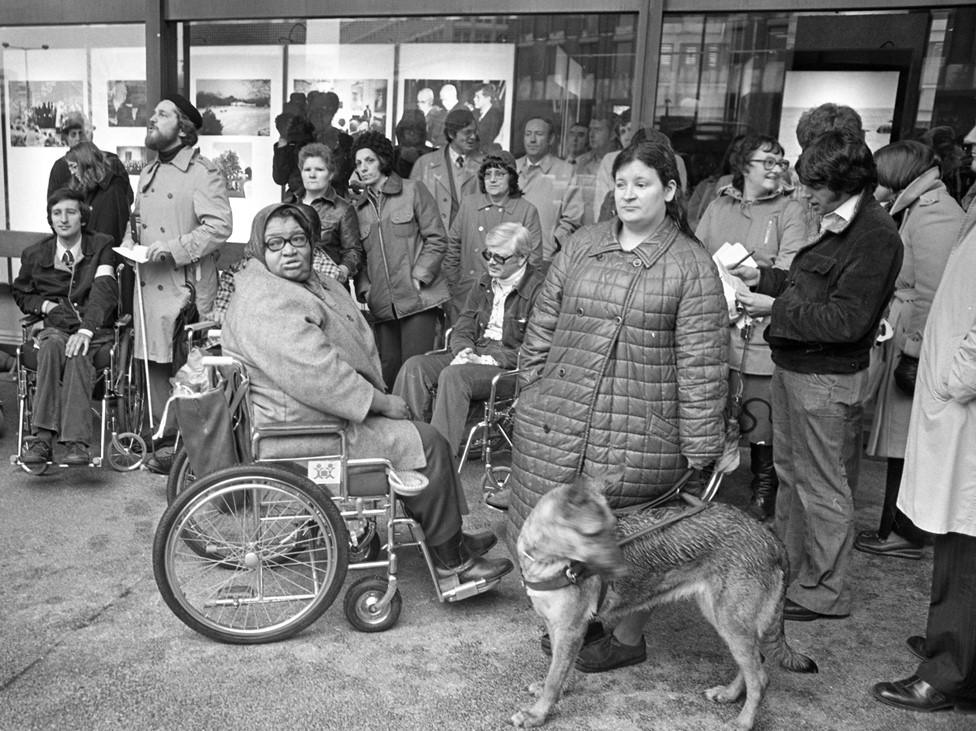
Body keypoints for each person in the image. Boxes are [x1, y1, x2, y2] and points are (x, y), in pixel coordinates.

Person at [506, 138, 729, 671]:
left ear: (670, 191)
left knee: (636, 535)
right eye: (622, 183)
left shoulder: (691, 266)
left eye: (643, 184)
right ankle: (570, 621)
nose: (628, 195)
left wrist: (702, 451)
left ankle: (627, 636)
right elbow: (543, 322)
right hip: (560, 412)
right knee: (561, 522)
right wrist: (531, 389)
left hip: (640, 428)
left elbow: (701, 365)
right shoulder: (584, 243)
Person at [220, 202, 513, 587]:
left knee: (422, 436)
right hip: (312, 432)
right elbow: (320, 376)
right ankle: (452, 561)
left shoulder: (288, 283)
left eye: (297, 240)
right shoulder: (271, 301)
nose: (289, 250)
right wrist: (381, 402)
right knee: (427, 442)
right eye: (276, 243)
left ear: (313, 243)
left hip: (317, 415)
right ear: (259, 247)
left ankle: (449, 535)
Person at [730, 130, 903, 622]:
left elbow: (846, 321)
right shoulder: (840, 219)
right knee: (792, 477)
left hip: (825, 379)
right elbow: (813, 286)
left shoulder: (874, 236)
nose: (804, 192)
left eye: (813, 185)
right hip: (800, 370)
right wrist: (763, 278)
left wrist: (773, 307)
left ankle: (823, 591)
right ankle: (791, 573)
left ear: (844, 182)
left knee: (823, 488)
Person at [870, 203, 976, 717]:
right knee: (960, 538)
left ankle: (949, 670)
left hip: (968, 402)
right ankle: (958, 652)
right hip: (960, 398)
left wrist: (961, 373)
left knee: (966, 542)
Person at [695, 133, 811, 520]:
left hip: (761, 326)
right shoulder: (717, 203)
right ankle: (704, 485)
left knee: (761, 413)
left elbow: (794, 267)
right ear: (744, 165)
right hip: (715, 323)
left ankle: (764, 486)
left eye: (781, 162)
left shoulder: (792, 209)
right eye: (768, 162)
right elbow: (695, 254)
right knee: (712, 405)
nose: (777, 169)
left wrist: (757, 274)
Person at [858, 140, 964, 559]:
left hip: (914, 340)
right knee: (902, 440)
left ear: (894, 176)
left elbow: (934, 293)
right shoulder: (921, 207)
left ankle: (905, 533)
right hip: (906, 333)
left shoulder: (933, 212)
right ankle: (895, 527)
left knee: (906, 441)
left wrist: (914, 353)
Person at [123, 94, 232, 474]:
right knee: (154, 362)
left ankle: (192, 450)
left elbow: (219, 227)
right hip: (149, 284)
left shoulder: (204, 172)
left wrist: (173, 249)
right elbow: (141, 221)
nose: (151, 118)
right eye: (154, 113)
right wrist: (129, 241)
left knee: (190, 368)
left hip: (185, 287)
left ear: (183, 128)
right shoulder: (148, 172)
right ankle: (162, 439)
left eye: (162, 114)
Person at [394, 222, 545, 453]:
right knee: (415, 367)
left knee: (455, 376)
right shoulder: (484, 282)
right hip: (475, 352)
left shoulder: (540, 291)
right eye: (488, 254)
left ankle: (438, 459)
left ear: (522, 258)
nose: (491, 262)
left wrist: (486, 360)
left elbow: (535, 350)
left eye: (500, 257)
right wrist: (464, 350)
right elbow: (462, 326)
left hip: (510, 368)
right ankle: (405, 446)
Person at [12, 188, 119, 465]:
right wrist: (45, 307)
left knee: (79, 352)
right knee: (51, 347)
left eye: (70, 212)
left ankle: (76, 443)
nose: (63, 219)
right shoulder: (35, 253)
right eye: (57, 213)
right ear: (50, 218)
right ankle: (42, 440)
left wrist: (86, 329)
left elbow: (104, 290)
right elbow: (22, 293)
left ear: (82, 217)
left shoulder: (102, 246)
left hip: (91, 327)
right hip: (55, 326)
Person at [351, 131, 451, 388]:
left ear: (383, 160)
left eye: (369, 160)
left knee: (415, 370)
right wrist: (365, 290)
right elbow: (359, 256)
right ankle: (394, 428)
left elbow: (437, 238)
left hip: (419, 300)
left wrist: (420, 275)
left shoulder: (413, 190)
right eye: (359, 163)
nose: (363, 168)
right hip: (382, 305)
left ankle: (418, 427)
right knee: (387, 371)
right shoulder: (358, 209)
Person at [443, 151, 542, 321]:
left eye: (499, 174)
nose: (493, 179)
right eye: (488, 174)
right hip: (467, 292)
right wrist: (454, 284)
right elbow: (453, 246)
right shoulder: (469, 204)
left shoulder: (526, 210)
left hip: (508, 295)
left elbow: (533, 259)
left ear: (511, 177)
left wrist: (518, 293)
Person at [287, 142, 362, 283]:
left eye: (319, 170)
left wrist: (342, 271)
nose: (312, 175)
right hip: (292, 286)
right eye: (307, 169)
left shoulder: (343, 208)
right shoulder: (289, 203)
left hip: (328, 286)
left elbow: (353, 251)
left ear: (331, 174)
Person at [516, 117, 583, 261]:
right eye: (528, 134)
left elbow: (573, 218)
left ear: (551, 139)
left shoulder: (565, 171)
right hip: (509, 256)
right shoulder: (512, 167)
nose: (532, 140)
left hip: (544, 257)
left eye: (539, 134)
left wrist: (554, 243)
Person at [410, 108, 483, 234]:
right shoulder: (424, 164)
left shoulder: (484, 165)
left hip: (471, 241)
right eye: (467, 132)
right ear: (451, 134)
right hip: (435, 243)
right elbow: (411, 208)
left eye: (475, 132)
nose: (473, 137)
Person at [65, 141, 134, 248]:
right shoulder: (88, 188)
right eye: (69, 167)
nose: (72, 172)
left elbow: (114, 232)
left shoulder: (113, 189)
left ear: (86, 163)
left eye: (74, 167)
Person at [47, 112, 128, 198]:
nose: (78, 138)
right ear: (66, 138)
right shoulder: (60, 167)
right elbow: (53, 203)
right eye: (73, 134)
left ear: (90, 134)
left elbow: (127, 197)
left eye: (81, 133)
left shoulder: (112, 161)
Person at [272, 112, 316, 200]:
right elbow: (280, 178)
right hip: (297, 196)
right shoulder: (286, 147)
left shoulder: (307, 145)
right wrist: (282, 149)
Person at [393, 109, 435, 179]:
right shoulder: (392, 154)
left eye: (417, 129)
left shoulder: (434, 154)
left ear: (422, 131)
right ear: (401, 130)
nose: (412, 133)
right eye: (408, 128)